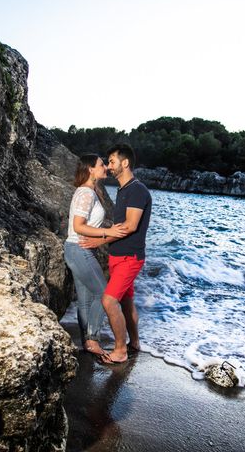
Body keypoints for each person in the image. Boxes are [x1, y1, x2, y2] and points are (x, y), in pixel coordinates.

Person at [80, 144, 152, 364]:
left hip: (130, 258)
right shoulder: (124, 189)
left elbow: (129, 226)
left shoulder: (137, 190)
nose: (109, 166)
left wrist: (98, 239)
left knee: (109, 301)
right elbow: (119, 227)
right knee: (126, 302)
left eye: (111, 161)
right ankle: (135, 342)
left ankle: (120, 351)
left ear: (125, 163)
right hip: (117, 257)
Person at [64, 154, 128, 357]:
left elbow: (85, 225)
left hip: (78, 249)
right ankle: (92, 339)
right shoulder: (86, 193)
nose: (106, 168)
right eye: (101, 165)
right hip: (79, 249)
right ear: (90, 169)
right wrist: (108, 232)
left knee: (85, 299)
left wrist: (107, 230)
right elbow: (78, 226)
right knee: (104, 295)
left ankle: (87, 342)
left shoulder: (90, 191)